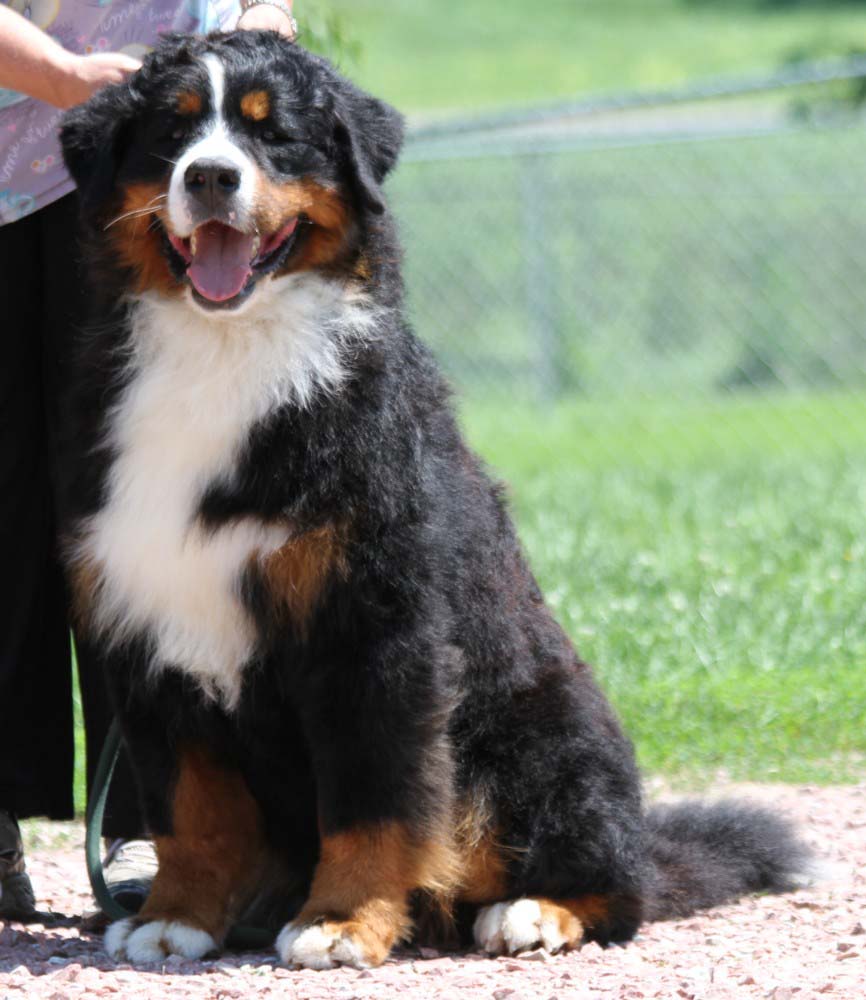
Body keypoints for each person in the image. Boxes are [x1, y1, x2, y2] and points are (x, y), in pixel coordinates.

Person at [0, 0, 297, 921]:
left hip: (162, 176)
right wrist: (57, 76)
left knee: (144, 518)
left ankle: (152, 820)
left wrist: (263, 13)